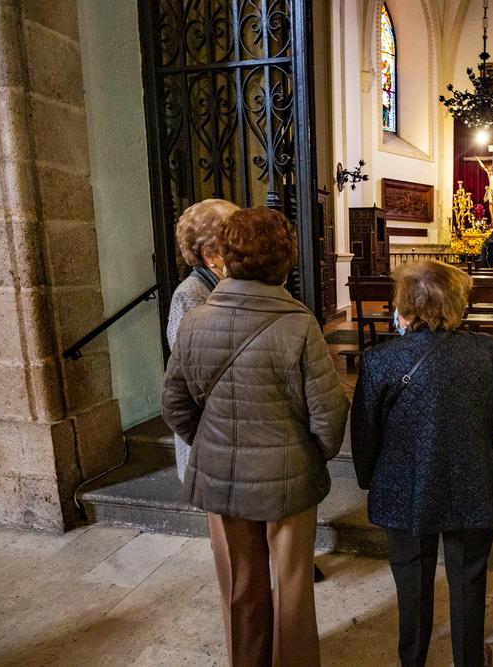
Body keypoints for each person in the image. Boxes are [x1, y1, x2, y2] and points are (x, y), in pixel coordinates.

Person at [162, 207, 349, 667]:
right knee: (292, 589)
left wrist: (212, 443)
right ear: (285, 260)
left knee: (242, 588)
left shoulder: (195, 322)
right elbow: (329, 414)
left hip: (223, 479)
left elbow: (175, 406)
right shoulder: (300, 323)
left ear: (226, 255)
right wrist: (312, 454)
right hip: (288, 479)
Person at [350, 260, 493, 667]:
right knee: (468, 578)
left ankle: (413, 661)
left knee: (411, 582)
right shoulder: (485, 352)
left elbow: (365, 433)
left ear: (406, 306)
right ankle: (469, 659)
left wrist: (370, 478)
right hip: (471, 486)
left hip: (405, 489)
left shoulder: (380, 360)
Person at [167, 198, 239, 482]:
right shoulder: (191, 294)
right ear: (210, 254)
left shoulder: (222, 287)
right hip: (209, 442)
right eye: (231, 242)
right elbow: (192, 379)